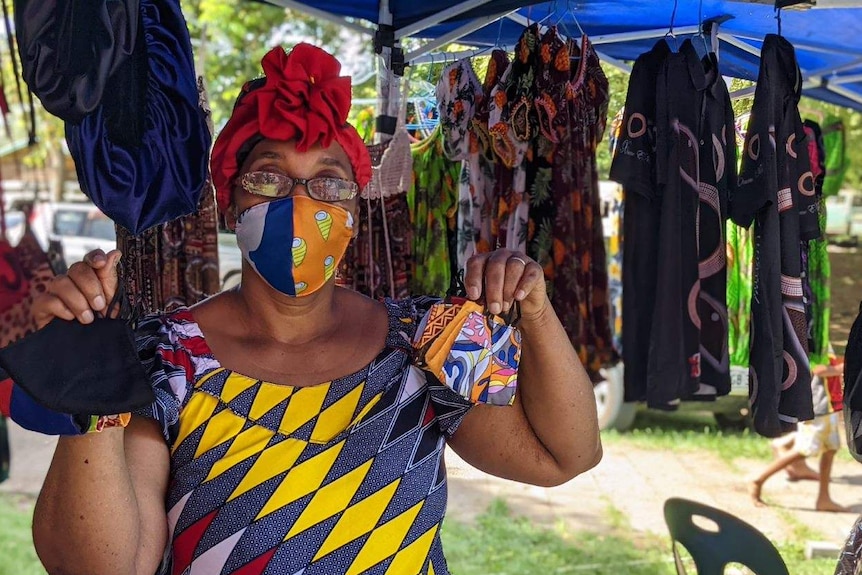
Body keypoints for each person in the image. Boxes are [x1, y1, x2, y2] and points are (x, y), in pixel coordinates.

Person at [28, 44, 602, 575]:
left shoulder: (424, 340)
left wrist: (537, 312)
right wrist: (93, 385)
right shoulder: (167, 360)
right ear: (231, 206)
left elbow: (563, 457)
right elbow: (107, 565)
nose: (300, 203)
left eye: (328, 183)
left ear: (355, 211)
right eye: (269, 178)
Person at [749, 358, 848, 513]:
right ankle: (758, 479)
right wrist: (841, 368)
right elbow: (817, 368)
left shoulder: (823, 337)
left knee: (830, 449)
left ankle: (824, 498)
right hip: (817, 404)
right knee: (806, 449)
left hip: (827, 402)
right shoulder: (816, 335)